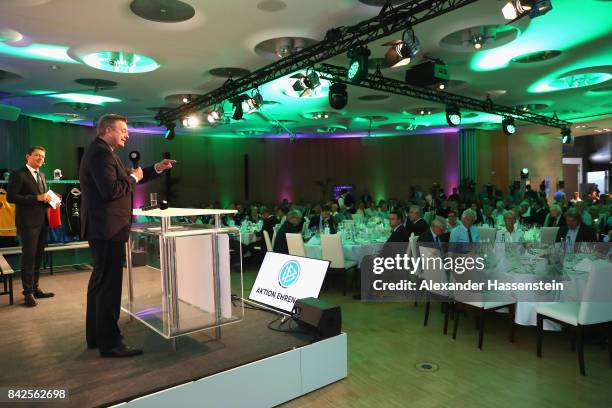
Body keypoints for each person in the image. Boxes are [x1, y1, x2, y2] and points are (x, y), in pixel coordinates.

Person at [80, 114, 175, 358]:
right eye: (123, 130)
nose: (127, 134)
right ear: (108, 130)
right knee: (108, 288)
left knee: (100, 284)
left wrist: (155, 169)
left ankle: (96, 337)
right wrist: (134, 177)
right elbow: (113, 189)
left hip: (105, 228)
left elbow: (127, 178)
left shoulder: (102, 152)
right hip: (107, 229)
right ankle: (110, 344)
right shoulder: (101, 153)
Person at [7, 146, 55, 307]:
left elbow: (41, 198)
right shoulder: (18, 174)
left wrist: (50, 200)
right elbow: (11, 197)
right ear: (28, 156)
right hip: (27, 223)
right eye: (37, 155)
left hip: (42, 222)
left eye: (42, 156)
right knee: (28, 257)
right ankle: (27, 293)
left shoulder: (42, 175)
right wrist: (37, 197)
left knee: (38, 257)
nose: (40, 158)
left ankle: (35, 288)